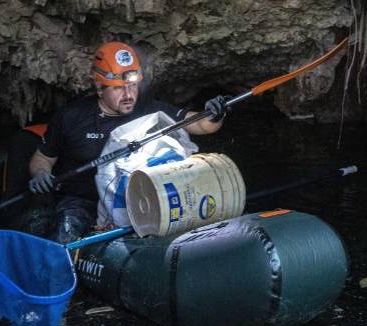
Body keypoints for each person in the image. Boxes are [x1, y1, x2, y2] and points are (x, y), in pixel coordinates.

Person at [23, 41, 228, 243]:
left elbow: (199, 125)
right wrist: (41, 173)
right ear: (99, 86)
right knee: (65, 233)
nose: (128, 95)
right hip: (83, 201)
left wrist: (214, 114)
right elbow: (42, 158)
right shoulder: (72, 116)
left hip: (135, 200)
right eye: (118, 89)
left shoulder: (149, 110)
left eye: (132, 86)